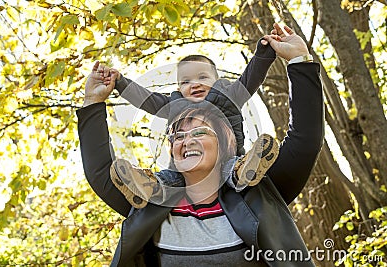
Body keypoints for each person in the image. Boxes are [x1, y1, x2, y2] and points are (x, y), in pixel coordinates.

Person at [77, 23, 324, 266]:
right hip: (163, 188)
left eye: (200, 131)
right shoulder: (151, 206)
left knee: (235, 170)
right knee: (163, 182)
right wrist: (97, 98)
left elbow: (304, 138)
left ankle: (245, 168)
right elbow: (102, 168)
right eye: (178, 135)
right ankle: (147, 181)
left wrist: (293, 59)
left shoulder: (260, 196)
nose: (187, 139)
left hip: (238, 169)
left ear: (225, 138)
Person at [95, 37, 279, 208]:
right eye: (186, 81)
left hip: (227, 159)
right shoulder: (174, 105)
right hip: (187, 164)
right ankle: (147, 187)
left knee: (231, 168)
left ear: (216, 80)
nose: (194, 84)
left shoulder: (229, 95)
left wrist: (264, 53)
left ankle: (246, 171)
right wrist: (120, 82)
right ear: (179, 88)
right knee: (172, 177)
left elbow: (251, 78)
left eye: (202, 77)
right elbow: (146, 99)